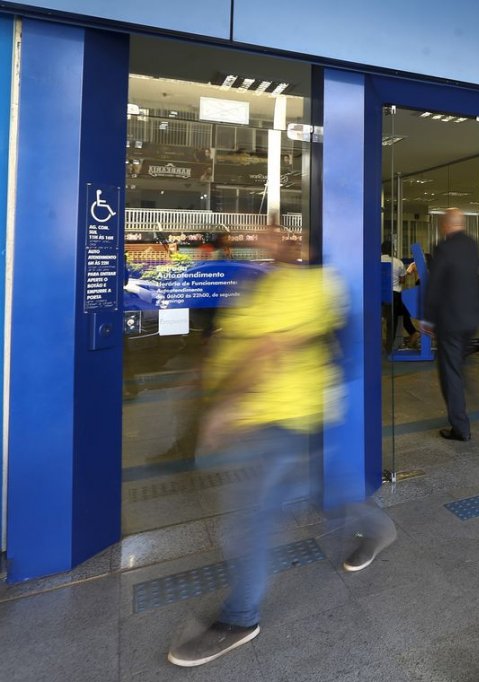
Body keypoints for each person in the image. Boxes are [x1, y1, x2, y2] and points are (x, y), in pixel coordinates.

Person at [167, 227, 397, 668]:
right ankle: (377, 526)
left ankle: (239, 618)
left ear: (304, 248)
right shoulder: (262, 284)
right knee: (321, 487)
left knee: (250, 521)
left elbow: (268, 350)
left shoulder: (312, 286)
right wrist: (202, 379)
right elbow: (235, 341)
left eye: (287, 237)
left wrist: (223, 408)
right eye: (268, 235)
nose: (272, 240)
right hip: (270, 418)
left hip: (284, 418)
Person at [423, 208, 479, 441]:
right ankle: (466, 401)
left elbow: (435, 285)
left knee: (451, 374)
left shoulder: (444, 247)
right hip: (471, 319)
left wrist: (427, 317)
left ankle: (460, 427)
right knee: (457, 366)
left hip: (451, 321)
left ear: (446, 225)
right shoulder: (474, 245)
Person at [381, 240, 418, 350]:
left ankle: (412, 333)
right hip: (395, 294)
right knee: (393, 320)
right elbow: (402, 280)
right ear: (392, 250)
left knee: (400, 312)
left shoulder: (375, 261)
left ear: (381, 250)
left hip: (380, 295)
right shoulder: (398, 262)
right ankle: (411, 333)